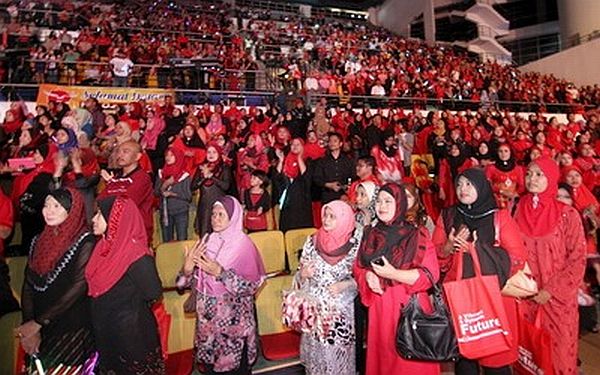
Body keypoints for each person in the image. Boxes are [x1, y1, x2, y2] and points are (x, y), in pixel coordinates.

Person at [433, 168, 527, 374]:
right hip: (460, 300)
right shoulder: (449, 216)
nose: (462, 189)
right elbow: (435, 258)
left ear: (481, 186)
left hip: (494, 300)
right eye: (459, 184)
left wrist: (475, 251)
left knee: (496, 363)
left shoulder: (499, 218)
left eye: (468, 184)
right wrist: (448, 247)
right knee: (465, 362)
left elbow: (517, 259)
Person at [353, 183, 440, 375]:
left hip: (408, 309)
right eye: (379, 201)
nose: (382, 206)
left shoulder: (417, 234)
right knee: (384, 361)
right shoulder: (371, 234)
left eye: (388, 201)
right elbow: (359, 267)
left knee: (410, 365)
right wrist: (367, 275)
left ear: (399, 204)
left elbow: (429, 274)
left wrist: (392, 274)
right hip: (380, 309)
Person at [178, 196, 265, 374]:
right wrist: (186, 270)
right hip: (208, 329)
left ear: (233, 217)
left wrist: (221, 273)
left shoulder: (243, 246)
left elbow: (252, 286)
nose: (215, 218)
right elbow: (182, 284)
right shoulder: (208, 240)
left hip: (233, 332)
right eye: (213, 214)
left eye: (221, 214)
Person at [515, 158, 586, 375]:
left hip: (558, 302)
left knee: (559, 357)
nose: (532, 179)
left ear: (552, 177)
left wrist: (550, 291)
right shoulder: (515, 208)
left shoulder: (568, 215)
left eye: (539, 174)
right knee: (529, 355)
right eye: (529, 173)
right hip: (525, 298)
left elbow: (577, 259)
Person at [17, 188, 96, 372]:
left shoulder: (86, 241)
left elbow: (79, 286)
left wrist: (38, 322)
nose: (49, 210)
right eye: (46, 205)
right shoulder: (38, 240)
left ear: (72, 210)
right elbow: (29, 284)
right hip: (40, 327)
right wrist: (29, 324)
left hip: (71, 328)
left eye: (56, 206)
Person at [86, 196, 164, 374]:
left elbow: (153, 292)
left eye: (99, 214)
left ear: (115, 218)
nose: (93, 219)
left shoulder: (136, 254)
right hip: (106, 332)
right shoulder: (102, 248)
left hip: (132, 336)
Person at [295, 200, 360, 375]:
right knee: (317, 354)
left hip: (340, 311)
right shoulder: (313, 240)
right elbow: (299, 272)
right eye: (325, 215)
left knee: (338, 354)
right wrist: (303, 274)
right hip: (314, 308)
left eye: (333, 217)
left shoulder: (354, 246)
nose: (326, 220)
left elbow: (362, 278)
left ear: (344, 219)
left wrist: (345, 284)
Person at [98, 140, 154, 244]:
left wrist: (110, 186)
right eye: (119, 151)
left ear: (137, 157)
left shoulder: (142, 178)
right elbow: (100, 200)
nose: (120, 155)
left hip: (134, 235)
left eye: (126, 151)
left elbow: (126, 203)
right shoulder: (114, 178)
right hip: (114, 232)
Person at [272, 138, 314, 232]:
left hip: (301, 203)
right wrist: (281, 160)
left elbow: (306, 178)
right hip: (288, 202)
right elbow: (277, 178)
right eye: (292, 144)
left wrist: (299, 158)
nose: (294, 146)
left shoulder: (308, 161)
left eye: (298, 144)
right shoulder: (286, 161)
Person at [192, 144, 233, 236]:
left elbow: (226, 186)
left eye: (214, 152)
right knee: (205, 236)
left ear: (219, 154)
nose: (211, 154)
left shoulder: (224, 168)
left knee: (220, 234)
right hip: (204, 207)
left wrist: (212, 176)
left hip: (219, 207)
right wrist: (203, 178)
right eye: (209, 152)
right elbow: (193, 187)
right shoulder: (201, 168)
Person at [155, 147, 192, 242]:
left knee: (182, 239)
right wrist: (165, 185)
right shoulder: (161, 173)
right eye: (167, 155)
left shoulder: (184, 175)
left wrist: (173, 194)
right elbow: (156, 192)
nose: (168, 157)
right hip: (166, 211)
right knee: (166, 241)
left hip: (181, 210)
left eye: (171, 155)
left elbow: (188, 196)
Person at [313, 132, 355, 204]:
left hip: (344, 195)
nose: (332, 143)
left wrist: (347, 186)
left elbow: (352, 176)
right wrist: (329, 185)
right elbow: (317, 178)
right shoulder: (322, 161)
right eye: (330, 141)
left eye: (335, 141)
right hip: (327, 195)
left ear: (340, 144)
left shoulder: (348, 160)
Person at [485, 144, 525, 210]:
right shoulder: (491, 168)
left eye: (506, 151)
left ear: (510, 152)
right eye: (500, 151)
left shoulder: (518, 168)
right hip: (496, 201)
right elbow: (487, 184)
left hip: (513, 200)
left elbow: (522, 186)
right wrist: (501, 191)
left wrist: (515, 194)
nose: (503, 154)